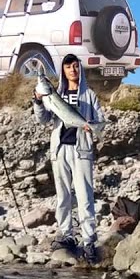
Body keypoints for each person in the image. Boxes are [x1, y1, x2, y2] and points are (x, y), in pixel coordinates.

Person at [33, 54, 106, 263]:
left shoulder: (89, 95)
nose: (72, 70)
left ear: (79, 69)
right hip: (59, 150)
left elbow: (100, 120)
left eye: (75, 66)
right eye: (68, 67)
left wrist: (91, 125)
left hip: (81, 150)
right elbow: (43, 119)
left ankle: (89, 240)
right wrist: (38, 101)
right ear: (63, 71)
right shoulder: (55, 94)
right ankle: (66, 235)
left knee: (84, 196)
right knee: (63, 196)